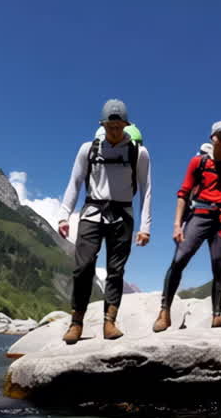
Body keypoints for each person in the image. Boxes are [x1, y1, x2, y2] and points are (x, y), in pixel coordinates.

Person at [57, 99, 152, 344]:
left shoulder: (138, 153)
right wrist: (63, 215)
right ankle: (76, 322)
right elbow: (74, 182)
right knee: (82, 267)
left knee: (115, 271)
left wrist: (145, 227)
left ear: (126, 125)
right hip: (92, 212)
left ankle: (109, 322)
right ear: (102, 124)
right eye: (111, 126)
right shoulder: (87, 149)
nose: (115, 131)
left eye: (119, 126)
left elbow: (146, 189)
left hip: (123, 215)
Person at [154, 121, 221, 331]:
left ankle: (217, 315)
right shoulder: (198, 162)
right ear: (212, 138)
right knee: (180, 258)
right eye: (218, 135)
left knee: (220, 266)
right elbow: (183, 193)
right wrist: (177, 225)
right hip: (199, 214)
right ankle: (164, 312)